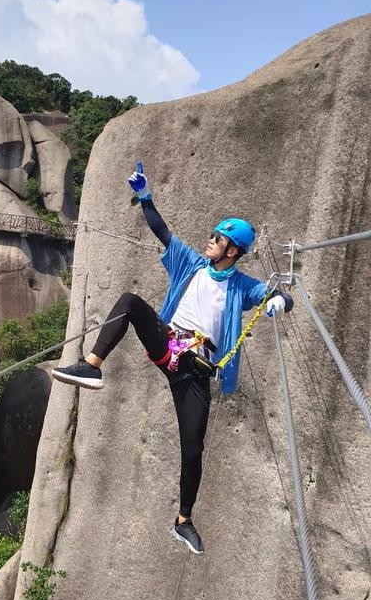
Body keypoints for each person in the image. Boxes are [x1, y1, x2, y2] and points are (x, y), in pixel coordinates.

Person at [52, 162, 293, 554]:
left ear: (232, 250)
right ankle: (92, 366)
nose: (209, 242)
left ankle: (183, 520)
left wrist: (280, 301)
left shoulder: (242, 287)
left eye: (216, 239)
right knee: (130, 302)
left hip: (196, 371)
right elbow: (163, 232)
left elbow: (281, 296)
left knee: (193, 448)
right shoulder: (193, 266)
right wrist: (146, 197)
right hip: (169, 343)